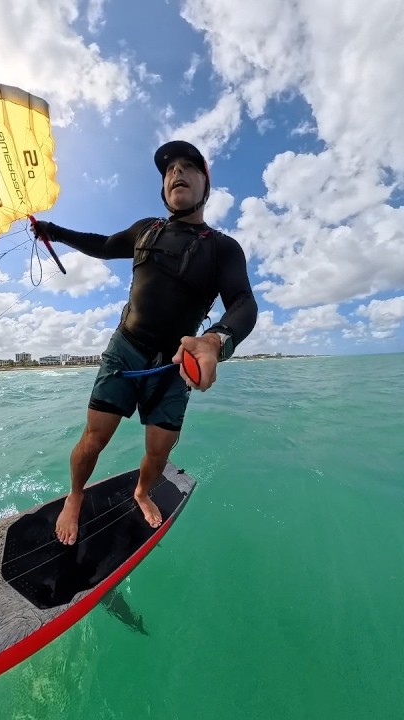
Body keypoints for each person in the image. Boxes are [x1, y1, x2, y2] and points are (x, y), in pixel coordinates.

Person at [30, 140, 258, 544]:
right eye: (169, 170)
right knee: (94, 438)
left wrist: (216, 340)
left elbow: (242, 302)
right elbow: (101, 245)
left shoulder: (223, 249)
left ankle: (140, 491)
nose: (177, 173)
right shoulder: (145, 230)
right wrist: (54, 231)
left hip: (174, 366)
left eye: (189, 167)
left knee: (159, 452)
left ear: (206, 184)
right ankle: (76, 495)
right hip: (126, 349)